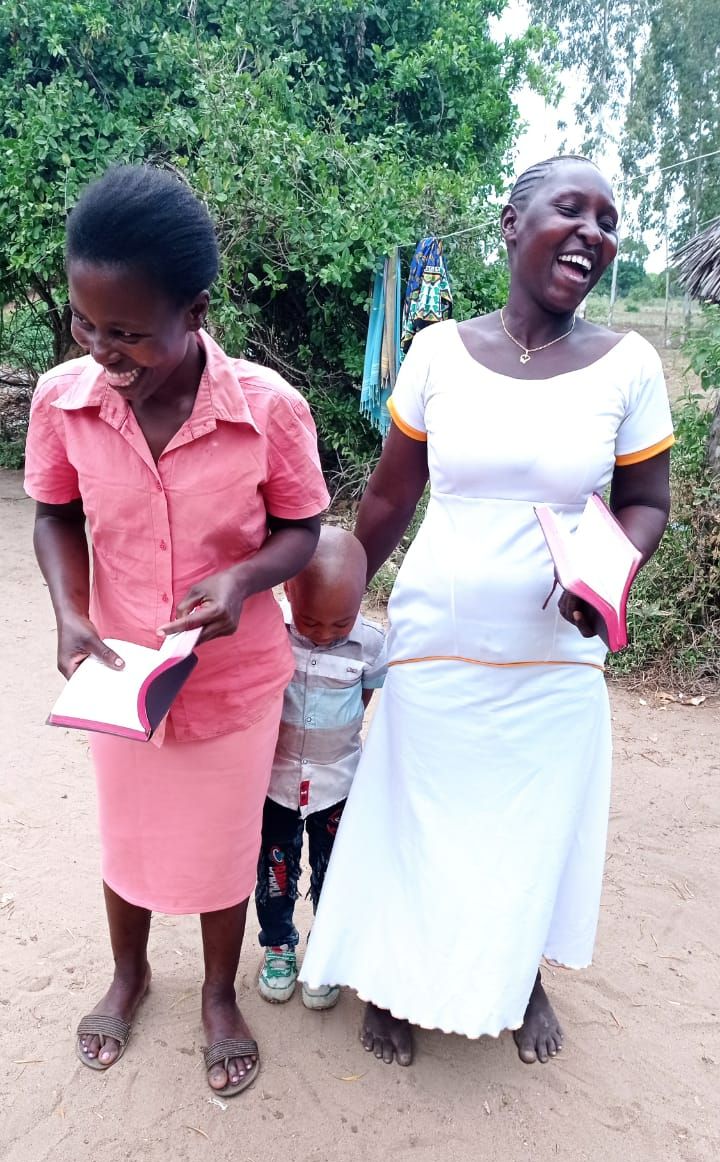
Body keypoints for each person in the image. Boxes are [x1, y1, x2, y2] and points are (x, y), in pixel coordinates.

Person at [300, 156, 674, 1067]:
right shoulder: (437, 351)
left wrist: (606, 578)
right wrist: (332, 604)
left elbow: (646, 502)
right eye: (570, 209)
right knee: (416, 810)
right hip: (439, 637)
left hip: (556, 652)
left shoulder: (629, 364)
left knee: (527, 825)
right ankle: (391, 978)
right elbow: (391, 495)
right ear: (511, 224)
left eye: (608, 220)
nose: (593, 232)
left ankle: (519, 975)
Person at [23, 165, 329, 1097]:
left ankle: (219, 996)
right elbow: (54, 515)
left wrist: (242, 579)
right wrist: (70, 612)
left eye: (128, 333)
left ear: (195, 313)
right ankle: (130, 974)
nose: (102, 351)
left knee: (225, 849)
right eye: (86, 324)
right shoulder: (63, 400)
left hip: (232, 682)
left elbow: (304, 527)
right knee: (128, 840)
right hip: (121, 674)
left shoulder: (269, 410)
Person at [255, 526, 386, 1009]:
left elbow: (365, 696)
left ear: (362, 597)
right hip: (277, 782)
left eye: (340, 624)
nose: (326, 634)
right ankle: (278, 946)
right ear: (289, 589)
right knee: (275, 869)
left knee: (334, 871)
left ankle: (326, 952)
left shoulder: (371, 644)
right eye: (310, 621)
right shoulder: (271, 626)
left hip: (338, 783)